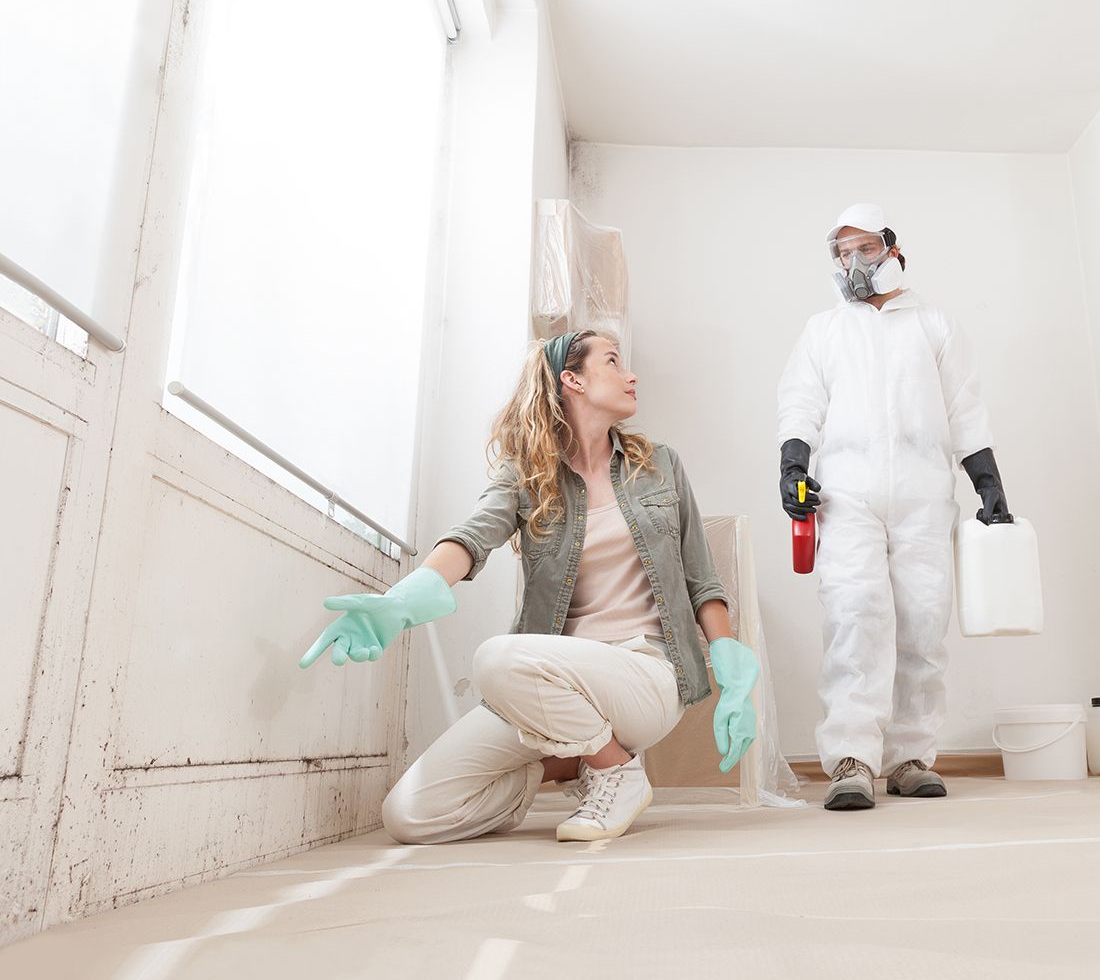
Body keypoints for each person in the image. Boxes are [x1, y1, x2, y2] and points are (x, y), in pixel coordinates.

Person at [300, 330, 759, 843]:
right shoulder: (527, 475)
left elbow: (700, 576)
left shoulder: (659, 465)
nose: (631, 375)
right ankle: (576, 762)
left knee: (497, 659)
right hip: (549, 685)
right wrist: (403, 598)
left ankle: (617, 773)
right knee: (411, 814)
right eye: (612, 362)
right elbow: (474, 535)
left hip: (644, 672)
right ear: (573, 380)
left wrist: (729, 664)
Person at [777, 203, 1015, 811]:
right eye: (842, 252)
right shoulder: (823, 331)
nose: (853, 263)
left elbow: (966, 409)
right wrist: (793, 466)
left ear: (892, 248)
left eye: (864, 249)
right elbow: (801, 404)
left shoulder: (933, 324)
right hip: (846, 496)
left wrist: (988, 484)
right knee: (856, 616)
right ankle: (851, 758)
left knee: (923, 620)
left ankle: (910, 756)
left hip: (924, 494)